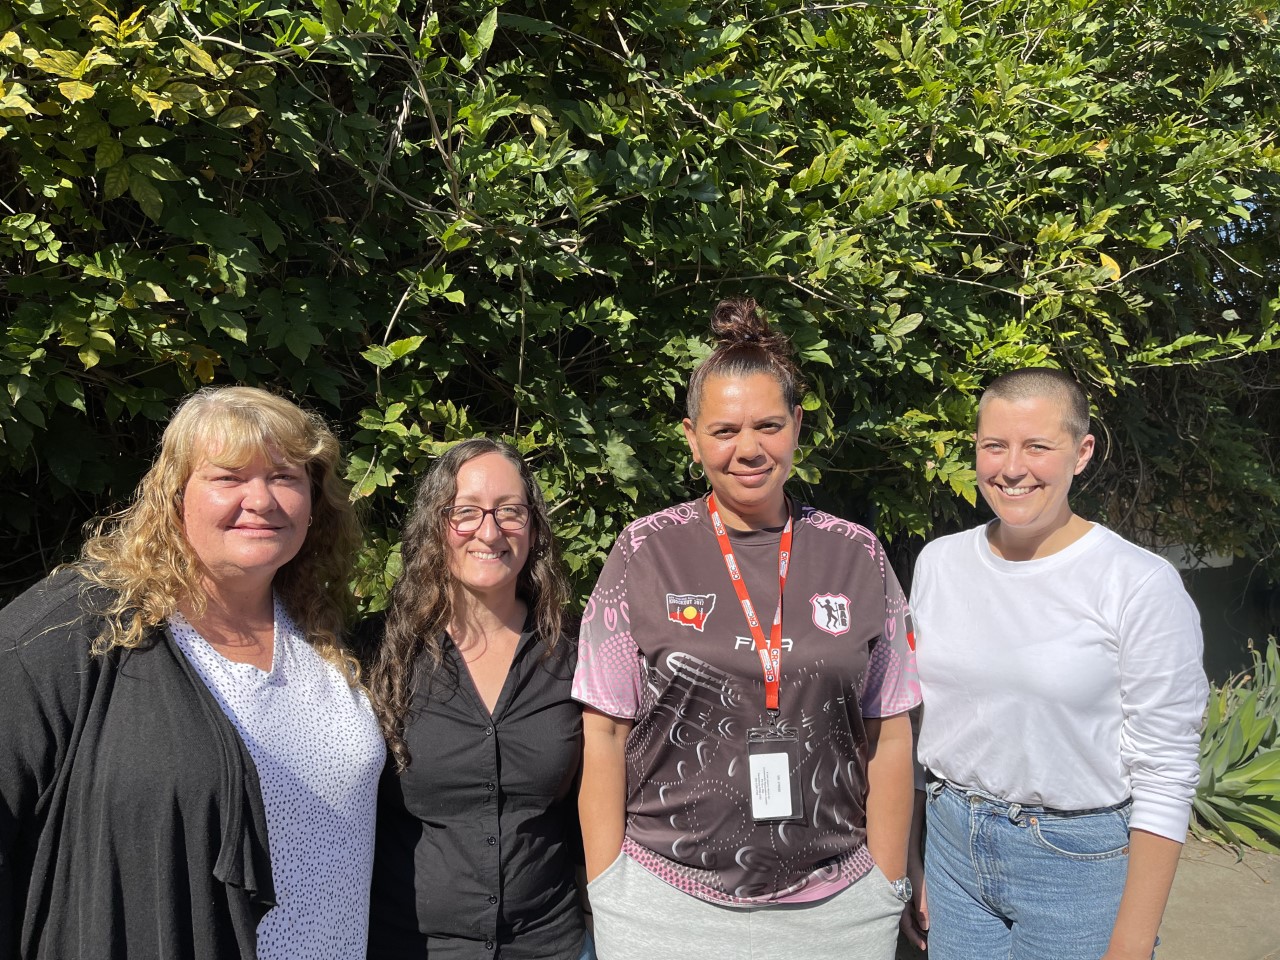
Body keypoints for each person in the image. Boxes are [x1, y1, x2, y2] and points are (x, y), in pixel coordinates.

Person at [574, 298, 921, 960]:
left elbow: (891, 727)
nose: (748, 449)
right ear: (691, 436)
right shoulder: (646, 551)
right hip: (664, 905)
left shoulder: (856, 553)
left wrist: (886, 884)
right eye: (724, 430)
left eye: (768, 425)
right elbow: (605, 727)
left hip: (836, 907)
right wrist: (608, 887)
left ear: (797, 425)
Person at [0, 385, 384, 960]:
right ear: (174, 495)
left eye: (285, 477)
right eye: (228, 477)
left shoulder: (330, 634)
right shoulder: (78, 630)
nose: (261, 499)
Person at [905, 368, 1209, 960]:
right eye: (994, 446)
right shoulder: (939, 563)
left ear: (1082, 452)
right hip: (951, 846)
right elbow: (917, 720)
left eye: (1037, 446)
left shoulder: (1139, 583)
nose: (1011, 468)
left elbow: (1167, 767)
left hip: (1077, 862)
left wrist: (1134, 938)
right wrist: (916, 859)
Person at [364, 438, 588, 959]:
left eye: (510, 511)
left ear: (533, 526)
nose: (490, 532)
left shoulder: (576, 652)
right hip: (408, 945)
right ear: (435, 525)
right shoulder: (378, 655)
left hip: (547, 945)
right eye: (466, 513)